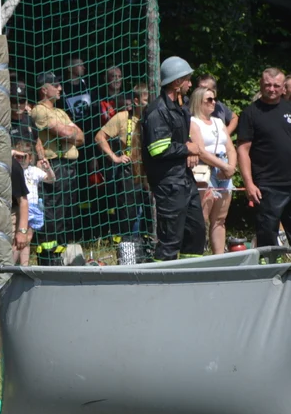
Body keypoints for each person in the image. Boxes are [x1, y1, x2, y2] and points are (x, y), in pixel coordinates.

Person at [141, 56, 207, 261]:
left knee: (196, 233)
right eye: (187, 79)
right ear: (177, 82)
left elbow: (177, 138)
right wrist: (187, 148)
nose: (190, 84)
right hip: (168, 183)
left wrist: (187, 149)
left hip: (185, 179)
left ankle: (191, 277)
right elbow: (157, 148)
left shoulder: (180, 107)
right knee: (170, 240)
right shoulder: (157, 111)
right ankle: (159, 282)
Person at [236, 68, 291, 251]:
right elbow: (243, 150)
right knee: (268, 239)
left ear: (284, 88)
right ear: (261, 85)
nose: (272, 89)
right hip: (267, 186)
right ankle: (268, 274)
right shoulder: (250, 113)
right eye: (267, 85)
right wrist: (249, 183)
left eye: (276, 85)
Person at [30, 77, 84, 264]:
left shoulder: (60, 112)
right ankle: (49, 255)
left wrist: (69, 133)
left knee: (68, 211)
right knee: (54, 210)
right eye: (56, 85)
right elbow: (66, 133)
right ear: (44, 89)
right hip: (54, 165)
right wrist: (69, 133)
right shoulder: (39, 110)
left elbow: (80, 137)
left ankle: (63, 253)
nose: (60, 88)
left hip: (70, 166)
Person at [95, 83, 151, 241]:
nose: (150, 103)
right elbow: (99, 137)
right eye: (146, 100)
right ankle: (128, 248)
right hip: (129, 172)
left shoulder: (153, 117)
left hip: (150, 171)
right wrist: (114, 157)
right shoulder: (122, 117)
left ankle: (147, 248)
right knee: (128, 214)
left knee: (149, 214)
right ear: (136, 100)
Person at [189, 86, 237, 255]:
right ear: (198, 101)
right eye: (209, 99)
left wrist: (231, 166)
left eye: (214, 99)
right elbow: (200, 150)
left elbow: (230, 147)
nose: (214, 102)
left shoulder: (218, 121)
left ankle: (219, 257)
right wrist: (223, 166)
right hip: (205, 168)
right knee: (202, 218)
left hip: (224, 165)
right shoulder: (193, 122)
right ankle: (198, 254)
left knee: (220, 219)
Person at [14, 142, 55, 265]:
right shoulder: (14, 170)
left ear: (30, 158)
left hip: (33, 207)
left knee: (28, 238)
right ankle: (10, 266)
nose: (20, 160)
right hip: (21, 206)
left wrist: (48, 168)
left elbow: (51, 179)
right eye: (18, 157)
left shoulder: (34, 171)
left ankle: (24, 265)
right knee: (20, 236)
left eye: (24, 157)